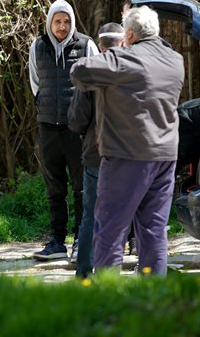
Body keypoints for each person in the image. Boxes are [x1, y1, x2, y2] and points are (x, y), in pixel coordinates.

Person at [71, 6, 185, 275]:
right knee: (154, 230)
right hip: (165, 157)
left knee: (110, 228)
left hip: (127, 155)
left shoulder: (124, 59)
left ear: (129, 34)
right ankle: (152, 293)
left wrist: (116, 51)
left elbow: (79, 71)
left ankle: (108, 297)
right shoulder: (175, 60)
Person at [29, 0, 99, 261]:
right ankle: (57, 240)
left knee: (82, 186)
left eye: (67, 21)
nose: (62, 26)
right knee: (54, 187)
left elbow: (94, 83)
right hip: (48, 128)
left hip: (77, 130)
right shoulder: (37, 46)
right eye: (57, 21)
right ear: (49, 22)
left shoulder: (86, 45)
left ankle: (81, 238)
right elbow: (36, 84)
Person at [68, 22, 124, 277]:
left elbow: (77, 118)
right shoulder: (134, 72)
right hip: (127, 154)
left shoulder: (90, 74)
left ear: (99, 47)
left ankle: (84, 272)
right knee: (121, 213)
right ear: (123, 43)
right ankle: (110, 270)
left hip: (95, 152)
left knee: (91, 214)